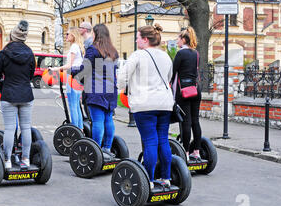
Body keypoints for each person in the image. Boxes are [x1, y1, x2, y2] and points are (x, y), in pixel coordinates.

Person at [118, 24, 173, 189]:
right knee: (163, 140)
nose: (136, 40)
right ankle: (166, 178)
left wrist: (121, 87)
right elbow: (169, 78)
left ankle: (148, 179)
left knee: (150, 141)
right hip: (164, 104)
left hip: (144, 104)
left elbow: (122, 77)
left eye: (137, 37)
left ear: (145, 39)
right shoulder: (166, 57)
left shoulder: (138, 55)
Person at [0, 20, 36, 169]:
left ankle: (7, 160)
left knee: (9, 128)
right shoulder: (30, 53)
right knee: (26, 127)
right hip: (26, 95)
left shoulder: (4, 53)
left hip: (9, 95)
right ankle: (26, 159)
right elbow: (31, 75)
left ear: (12, 36)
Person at [71, 24, 118, 156]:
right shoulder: (113, 51)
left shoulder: (93, 50)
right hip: (110, 89)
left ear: (96, 35)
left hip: (96, 89)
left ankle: (96, 150)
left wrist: (72, 71)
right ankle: (107, 148)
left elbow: (84, 69)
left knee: (97, 120)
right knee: (108, 119)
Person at [170, 26, 202, 162]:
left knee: (186, 122)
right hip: (195, 90)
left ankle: (186, 153)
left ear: (183, 39)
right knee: (195, 120)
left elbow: (173, 72)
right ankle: (197, 151)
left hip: (183, 91)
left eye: (178, 38)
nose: (177, 40)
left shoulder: (180, 54)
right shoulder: (196, 53)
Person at [50, 27, 84, 129]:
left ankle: (75, 130)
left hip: (72, 77)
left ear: (73, 35)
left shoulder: (74, 47)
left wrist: (56, 68)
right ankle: (80, 129)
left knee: (73, 106)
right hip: (78, 78)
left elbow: (69, 65)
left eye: (68, 34)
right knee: (77, 105)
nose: (66, 36)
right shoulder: (79, 47)